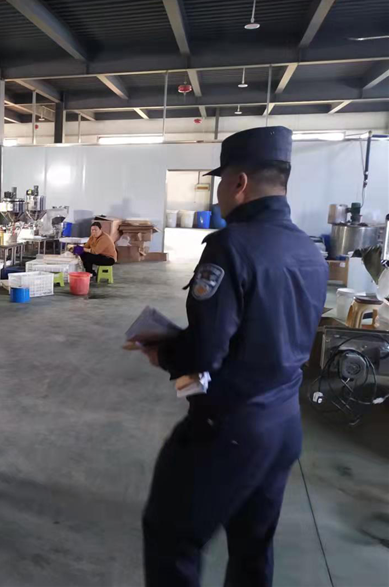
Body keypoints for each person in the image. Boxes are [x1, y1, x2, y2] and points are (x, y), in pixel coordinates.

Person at [136, 127, 328, 587]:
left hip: (229, 430)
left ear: (239, 183)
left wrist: (163, 350)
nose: (219, 192)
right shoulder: (308, 249)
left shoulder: (231, 246)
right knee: (253, 547)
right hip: (284, 424)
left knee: (171, 538)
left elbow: (206, 351)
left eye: (221, 181)